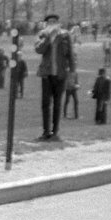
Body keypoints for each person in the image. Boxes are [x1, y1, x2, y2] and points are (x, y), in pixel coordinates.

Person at [33, 13, 75, 142]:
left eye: (54, 21)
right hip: (47, 74)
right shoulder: (42, 34)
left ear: (58, 22)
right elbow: (38, 50)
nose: (52, 24)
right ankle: (46, 132)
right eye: (49, 22)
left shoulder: (65, 35)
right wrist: (48, 39)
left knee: (57, 104)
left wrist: (72, 72)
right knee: (45, 104)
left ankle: (55, 132)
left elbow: (70, 54)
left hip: (60, 74)